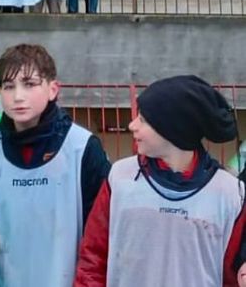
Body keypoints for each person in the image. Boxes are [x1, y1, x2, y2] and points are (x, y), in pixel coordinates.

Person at [74, 75, 246, 287]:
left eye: (144, 120)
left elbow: (233, 277)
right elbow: (93, 260)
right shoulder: (120, 177)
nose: (132, 125)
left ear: (173, 130)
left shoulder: (230, 193)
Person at [0, 44, 111, 287]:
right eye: (9, 87)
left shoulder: (82, 147)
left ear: (53, 89)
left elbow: (100, 235)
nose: (18, 96)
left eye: (29, 84)